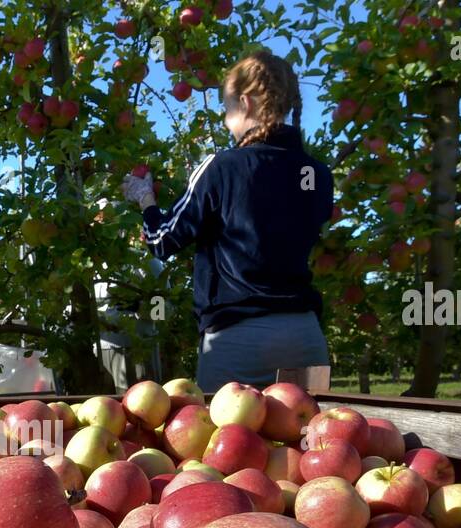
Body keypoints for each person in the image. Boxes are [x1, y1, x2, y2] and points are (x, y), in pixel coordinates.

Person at [122, 50, 334, 393]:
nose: (224, 120)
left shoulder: (221, 167)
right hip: (305, 337)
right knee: (310, 442)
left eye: (226, 108)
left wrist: (145, 198)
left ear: (246, 104)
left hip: (237, 342)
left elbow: (161, 240)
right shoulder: (318, 174)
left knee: (227, 443)